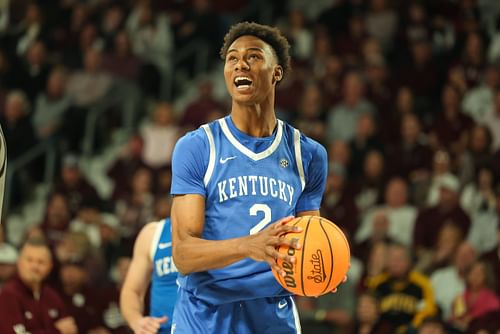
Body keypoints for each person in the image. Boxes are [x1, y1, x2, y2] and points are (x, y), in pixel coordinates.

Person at [170, 22, 329, 333]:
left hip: (271, 313)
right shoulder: (199, 146)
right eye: (232, 58)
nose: (240, 63)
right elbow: (184, 255)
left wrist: (323, 267)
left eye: (254, 56)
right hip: (206, 314)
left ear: (277, 72)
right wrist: (249, 246)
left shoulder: (308, 154)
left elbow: (308, 239)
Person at [0, 238, 77, 334]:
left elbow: (69, 328)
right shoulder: (9, 295)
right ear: (19, 263)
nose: (35, 267)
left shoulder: (52, 296)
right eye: (29, 260)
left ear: (50, 267)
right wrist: (56, 331)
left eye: (41, 262)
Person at [121, 218, 178, 333]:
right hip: (163, 329)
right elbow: (132, 291)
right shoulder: (153, 233)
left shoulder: (221, 230)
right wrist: (136, 321)